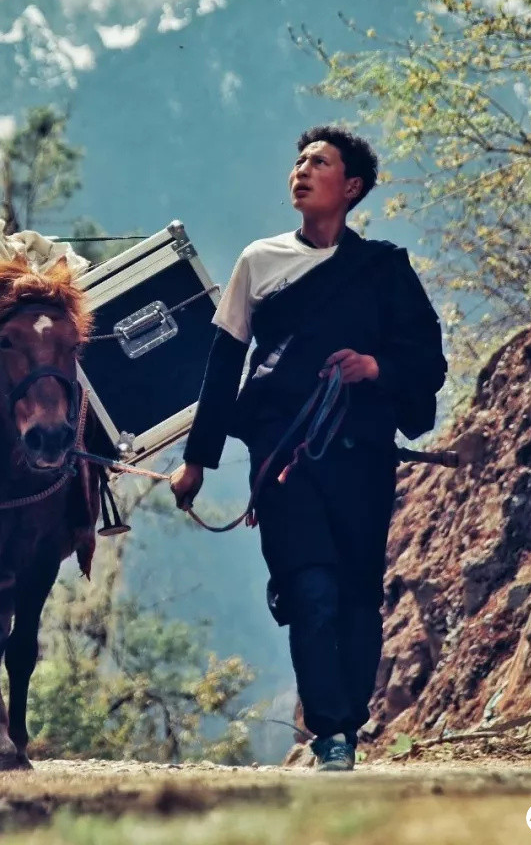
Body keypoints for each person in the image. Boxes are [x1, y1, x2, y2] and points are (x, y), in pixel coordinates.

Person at [169, 124, 447, 772]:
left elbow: (426, 360)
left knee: (355, 591)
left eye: (318, 162)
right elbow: (223, 366)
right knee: (309, 588)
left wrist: (375, 370)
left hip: (363, 456)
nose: (300, 169)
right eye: (297, 160)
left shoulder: (385, 270)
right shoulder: (257, 262)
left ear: (350, 188)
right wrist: (197, 460)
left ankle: (348, 719)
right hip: (283, 458)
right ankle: (330, 734)